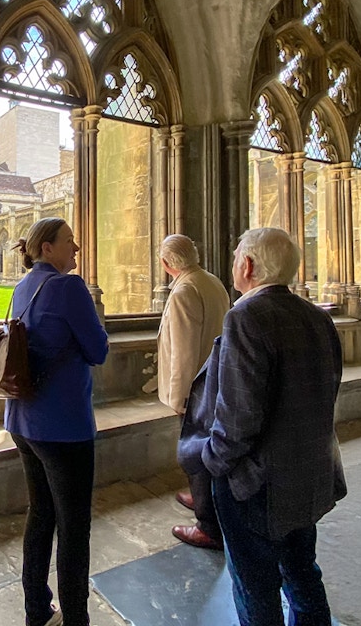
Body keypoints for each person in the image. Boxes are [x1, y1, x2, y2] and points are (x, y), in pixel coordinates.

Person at [178, 227, 346, 626]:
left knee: (256, 587)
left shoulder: (247, 317)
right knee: (303, 574)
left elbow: (238, 416)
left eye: (237, 257)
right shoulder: (316, 317)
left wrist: (213, 463)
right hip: (308, 474)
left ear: (248, 266)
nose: (235, 263)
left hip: (256, 485)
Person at [5, 217, 109, 626]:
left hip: (23, 421)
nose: (77, 248)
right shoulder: (69, 287)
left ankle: (36, 608)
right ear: (47, 248)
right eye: (69, 242)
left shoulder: (22, 287)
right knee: (73, 525)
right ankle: (76, 617)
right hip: (62, 425)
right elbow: (98, 349)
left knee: (41, 513)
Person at [155, 234, 231, 551]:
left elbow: (184, 350)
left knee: (195, 451)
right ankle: (204, 498)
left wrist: (180, 397)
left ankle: (207, 524)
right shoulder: (210, 280)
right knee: (206, 449)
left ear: (166, 263)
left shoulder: (185, 290)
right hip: (215, 378)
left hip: (196, 386)